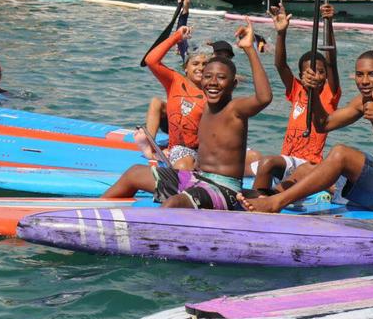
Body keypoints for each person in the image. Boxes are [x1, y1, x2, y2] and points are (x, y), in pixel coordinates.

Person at [103, 19, 273, 210]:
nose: (213, 82)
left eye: (221, 78)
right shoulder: (204, 102)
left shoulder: (234, 109)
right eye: (208, 77)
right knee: (134, 173)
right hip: (196, 178)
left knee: (174, 203)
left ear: (233, 84)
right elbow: (152, 62)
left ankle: (151, 237)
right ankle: (90, 213)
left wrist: (249, 48)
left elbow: (264, 97)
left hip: (224, 189)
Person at [239, 49, 373, 214]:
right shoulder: (363, 101)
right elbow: (324, 124)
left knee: (341, 153)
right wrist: (312, 91)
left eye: (372, 74)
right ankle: (267, 197)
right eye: (359, 74)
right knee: (306, 168)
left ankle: (275, 204)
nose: (364, 81)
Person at [251, 2, 341, 193]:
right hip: (288, 160)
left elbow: (332, 62)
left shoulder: (329, 93)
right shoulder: (297, 90)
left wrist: (329, 24)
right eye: (309, 72)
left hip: (309, 163)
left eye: (320, 72)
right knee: (262, 164)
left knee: (276, 178)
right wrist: (281, 33)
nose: (315, 76)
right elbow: (281, 65)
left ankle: (270, 199)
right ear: (301, 76)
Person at [137, 19, 210, 170]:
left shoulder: (213, 90)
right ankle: (151, 148)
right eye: (195, 64)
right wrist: (176, 37)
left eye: (205, 65)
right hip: (179, 149)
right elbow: (151, 60)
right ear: (186, 68)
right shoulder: (175, 81)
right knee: (184, 166)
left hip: (203, 150)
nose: (200, 68)